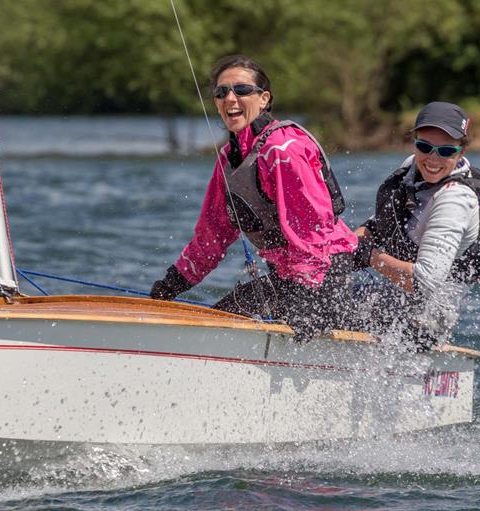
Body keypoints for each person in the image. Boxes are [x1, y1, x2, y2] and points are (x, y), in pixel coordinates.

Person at [149, 54, 358, 339]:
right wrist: (173, 283)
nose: (230, 98)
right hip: (286, 278)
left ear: (264, 99)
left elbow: (311, 229)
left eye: (242, 90)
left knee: (223, 331)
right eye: (221, 93)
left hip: (322, 276)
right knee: (222, 319)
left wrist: (306, 297)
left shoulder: (284, 150)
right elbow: (213, 235)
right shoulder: (229, 159)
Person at [351, 101, 480, 350]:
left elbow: (424, 283)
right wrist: (342, 245)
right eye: (424, 147)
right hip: (395, 295)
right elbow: (382, 226)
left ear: (461, 152)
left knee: (323, 306)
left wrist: (369, 257)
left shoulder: (455, 200)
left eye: (445, 151)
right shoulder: (411, 167)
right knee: (315, 291)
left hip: (427, 319)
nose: (433, 159)